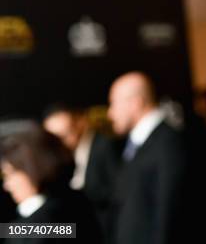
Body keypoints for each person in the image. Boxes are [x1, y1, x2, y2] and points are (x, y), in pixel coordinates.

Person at [106, 72, 186, 244]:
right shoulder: (136, 144)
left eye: (113, 104)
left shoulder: (168, 144)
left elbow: (169, 214)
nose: (110, 114)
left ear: (135, 103)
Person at [1, 126, 101, 244]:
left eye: (10, 174)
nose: (7, 185)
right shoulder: (79, 203)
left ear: (33, 169)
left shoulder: (51, 221)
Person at [42, 102, 120, 237]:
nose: (62, 142)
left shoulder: (105, 147)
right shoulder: (67, 161)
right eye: (55, 140)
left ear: (81, 121)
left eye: (66, 134)